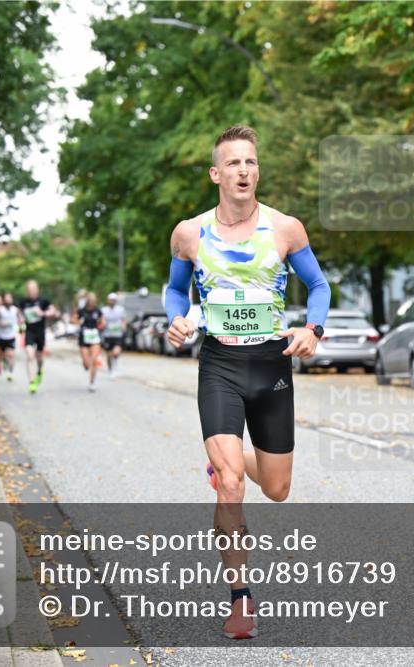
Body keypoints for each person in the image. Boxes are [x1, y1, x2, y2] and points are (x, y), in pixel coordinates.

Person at [165, 125, 331, 640]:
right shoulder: (189, 233)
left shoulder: (286, 229)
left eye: (251, 163)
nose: (244, 171)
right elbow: (174, 291)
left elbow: (320, 286)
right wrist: (176, 320)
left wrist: (312, 329)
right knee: (234, 485)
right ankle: (241, 600)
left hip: (271, 365)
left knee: (277, 489)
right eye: (234, 163)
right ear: (217, 173)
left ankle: (226, 466)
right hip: (219, 364)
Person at [19, 280, 60, 394]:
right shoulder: (23, 302)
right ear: (27, 290)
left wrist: (43, 313)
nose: (32, 291)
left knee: (39, 357)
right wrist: (21, 319)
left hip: (40, 332)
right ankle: (32, 382)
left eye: (34, 288)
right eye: (29, 289)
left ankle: (40, 371)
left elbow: (53, 311)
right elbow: (20, 313)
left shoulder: (43, 301)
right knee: (29, 355)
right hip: (29, 332)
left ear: (37, 289)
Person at [72, 291, 104, 392]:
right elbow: (72, 320)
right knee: (86, 364)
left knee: (94, 360)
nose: (91, 304)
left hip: (94, 337)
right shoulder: (81, 311)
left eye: (93, 302)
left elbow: (103, 321)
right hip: (84, 338)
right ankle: (86, 364)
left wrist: (100, 325)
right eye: (90, 302)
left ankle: (92, 382)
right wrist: (78, 322)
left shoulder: (98, 311)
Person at [0, 293, 22, 382]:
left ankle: (11, 373)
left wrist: (20, 325)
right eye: (6, 299)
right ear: (4, 301)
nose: (8, 300)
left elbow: (20, 320)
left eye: (9, 298)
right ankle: (1, 367)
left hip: (11, 336)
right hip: (1, 336)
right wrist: (1, 324)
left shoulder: (15, 310)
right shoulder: (0, 310)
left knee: (10, 354)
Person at [101, 292, 126, 377]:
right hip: (107, 335)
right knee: (109, 355)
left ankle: (115, 367)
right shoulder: (104, 310)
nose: (112, 301)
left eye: (114, 300)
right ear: (108, 301)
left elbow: (123, 320)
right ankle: (110, 369)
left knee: (116, 353)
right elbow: (102, 320)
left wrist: (123, 326)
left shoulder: (120, 310)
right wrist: (103, 323)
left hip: (117, 335)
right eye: (111, 300)